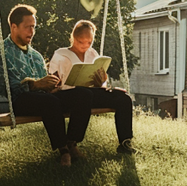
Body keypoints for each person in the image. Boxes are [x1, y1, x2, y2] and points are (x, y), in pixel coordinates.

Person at [0, 4, 80, 166]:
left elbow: (43, 83)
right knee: (50, 102)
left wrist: (53, 85)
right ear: (14, 27)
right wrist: (34, 85)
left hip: (44, 99)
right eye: (27, 27)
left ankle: (72, 143)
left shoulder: (36, 56)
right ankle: (63, 150)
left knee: (81, 95)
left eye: (34, 27)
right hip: (20, 101)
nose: (32, 31)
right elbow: (1, 85)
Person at [48, 20, 136, 155]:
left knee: (123, 98)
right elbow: (52, 83)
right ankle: (71, 141)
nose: (85, 46)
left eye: (89, 42)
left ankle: (125, 143)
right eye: (80, 41)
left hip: (88, 93)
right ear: (73, 38)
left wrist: (101, 81)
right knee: (84, 94)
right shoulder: (61, 54)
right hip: (65, 95)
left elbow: (99, 84)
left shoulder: (92, 54)